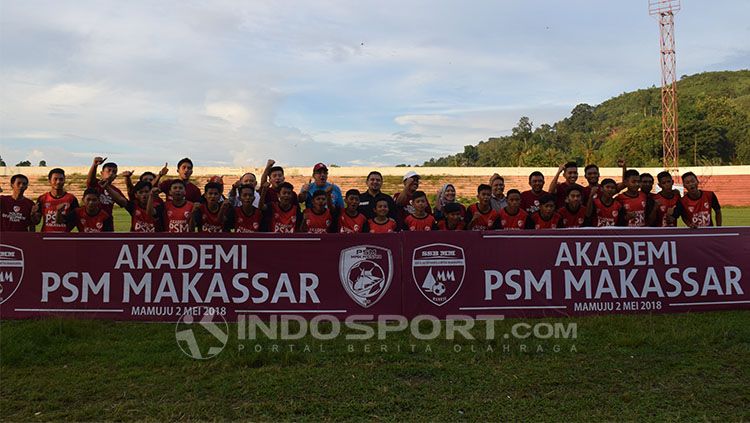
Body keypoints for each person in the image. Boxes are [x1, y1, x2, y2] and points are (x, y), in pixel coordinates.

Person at [35, 168, 79, 233]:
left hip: (64, 238)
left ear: (64, 180)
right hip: (46, 237)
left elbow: (75, 220)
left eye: (61, 179)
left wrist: (66, 230)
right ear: (49, 180)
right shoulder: (42, 198)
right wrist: (33, 214)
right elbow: (36, 222)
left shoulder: (71, 198)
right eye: (55, 179)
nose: (58, 182)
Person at [85, 156, 123, 231]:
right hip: (91, 221)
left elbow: (123, 203)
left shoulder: (115, 191)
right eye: (108, 170)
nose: (111, 173)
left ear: (116, 176)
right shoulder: (96, 184)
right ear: (102, 173)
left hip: (107, 223)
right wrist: (95, 165)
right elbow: (90, 180)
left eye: (114, 172)